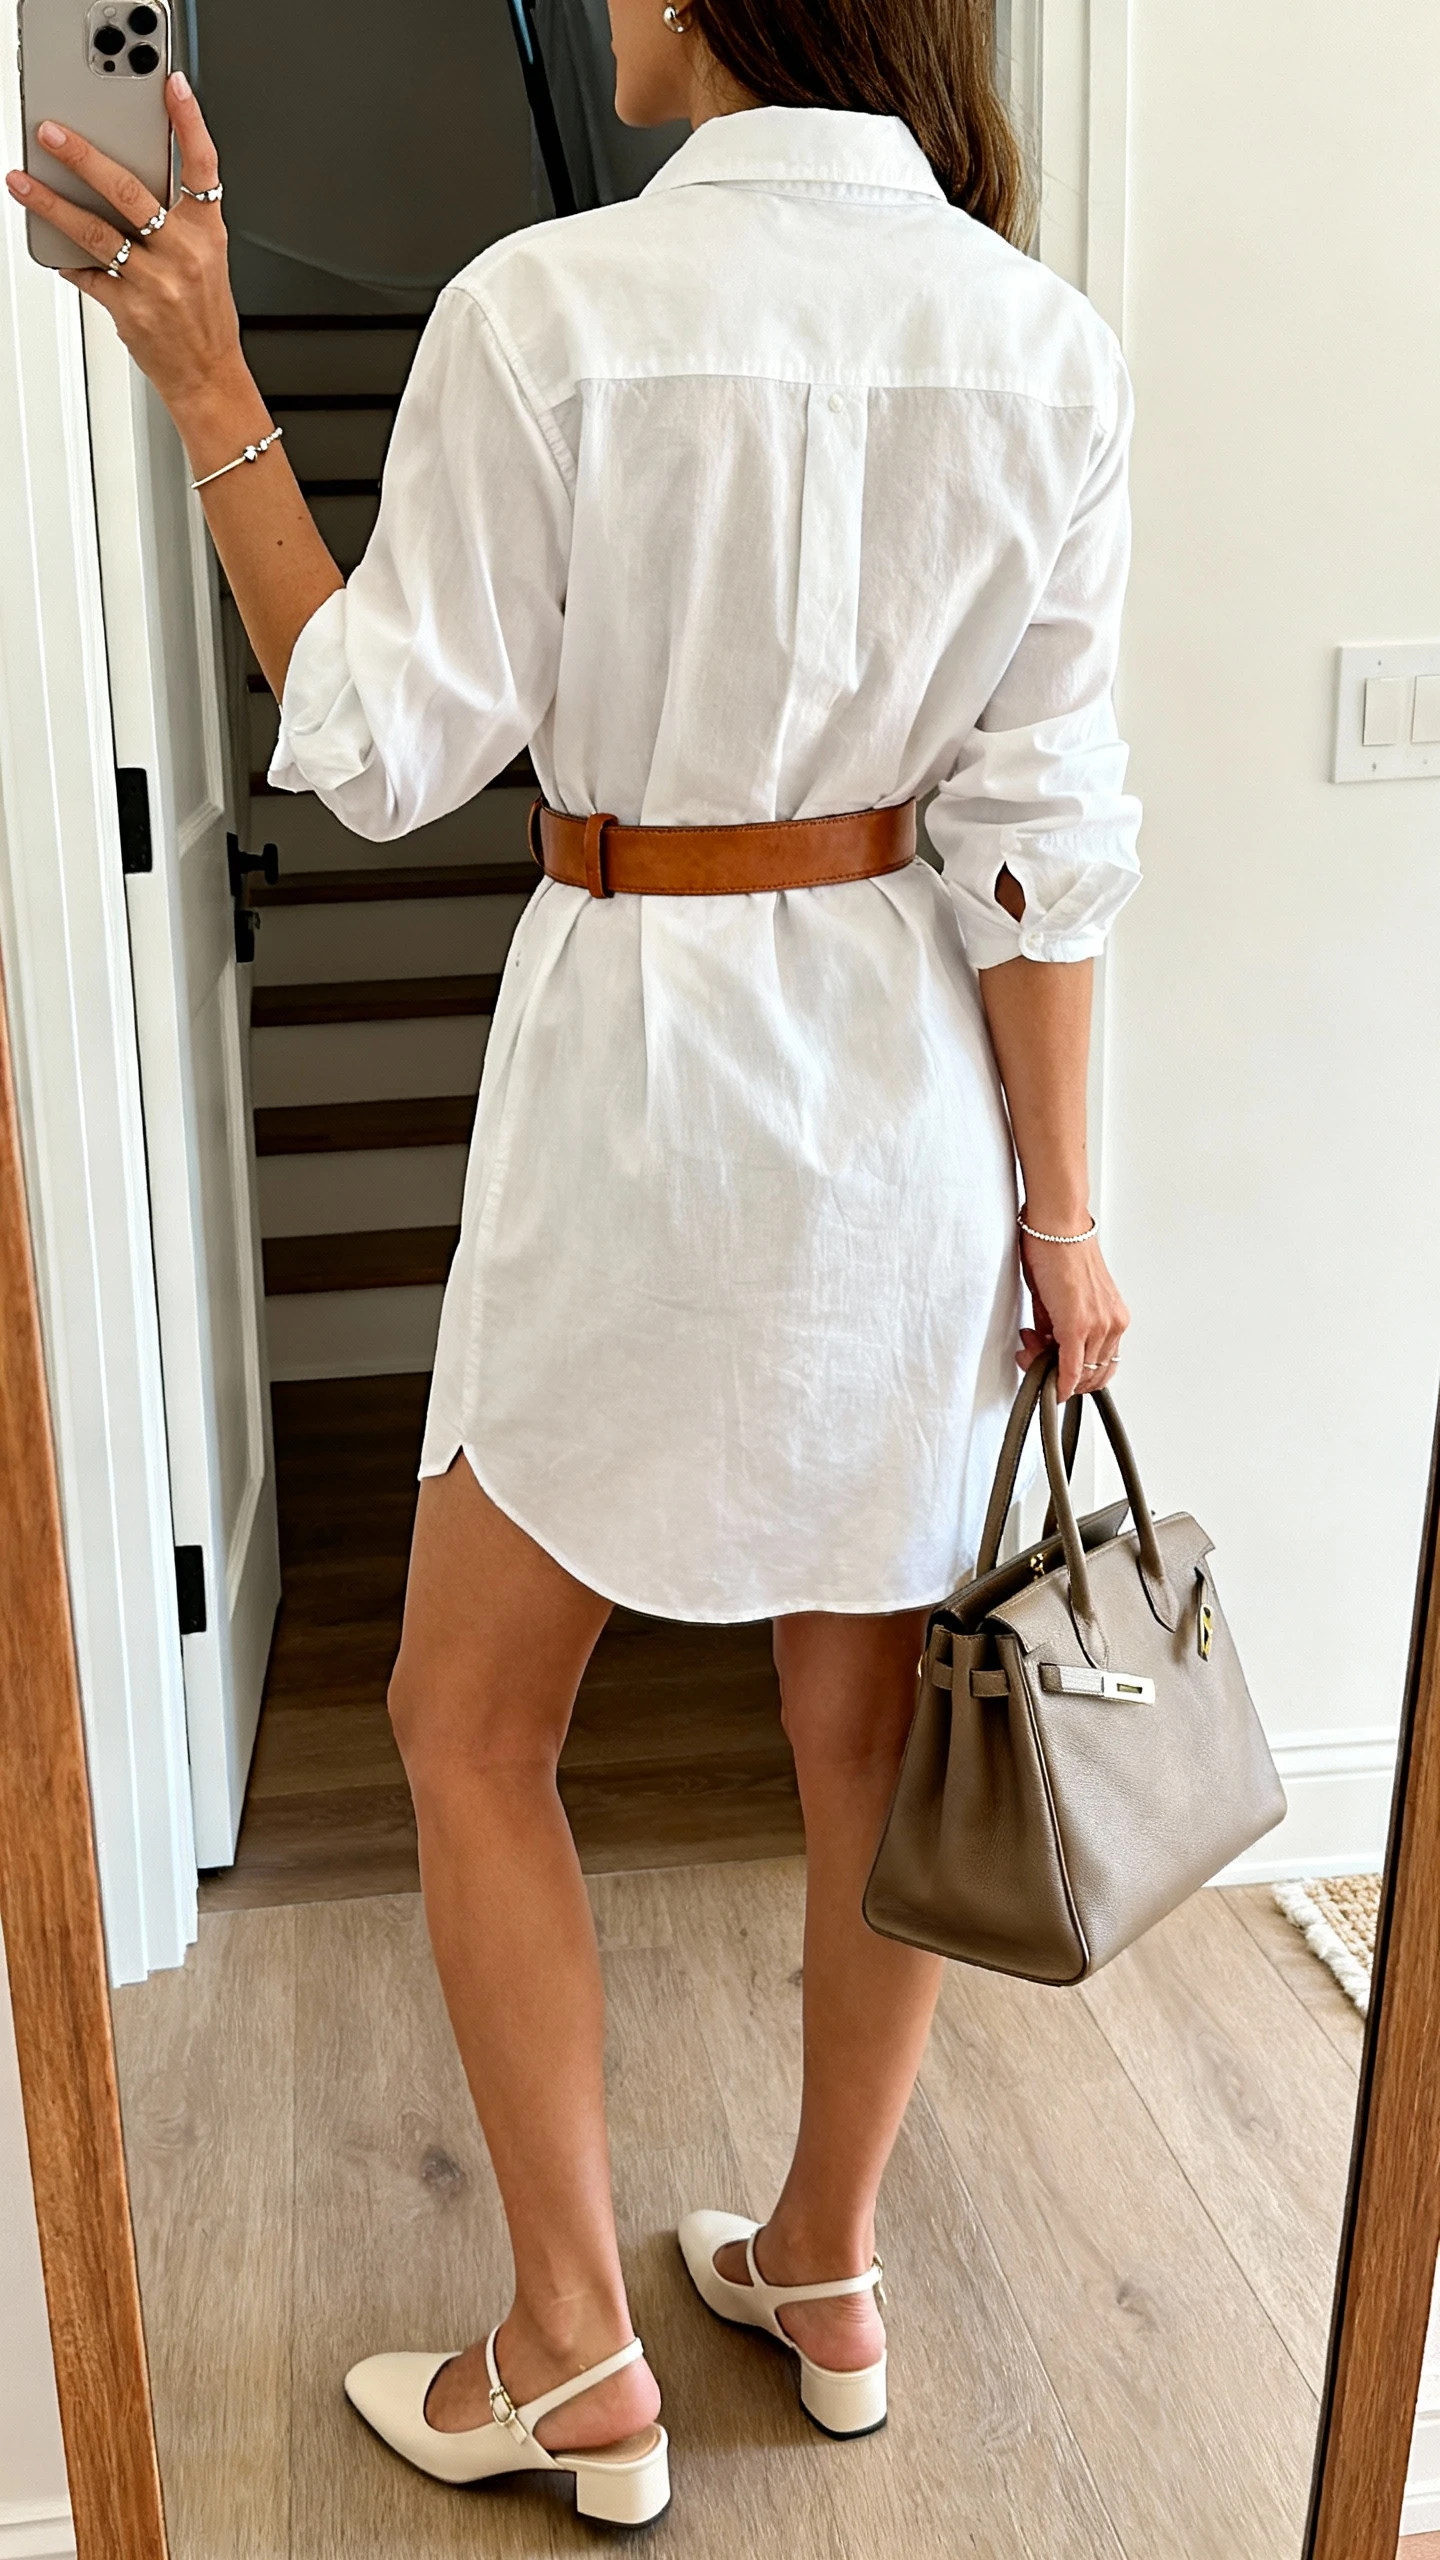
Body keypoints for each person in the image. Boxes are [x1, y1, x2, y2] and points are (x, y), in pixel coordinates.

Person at [8, 0, 1137, 2525]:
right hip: (910, 1119)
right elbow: (1044, 835)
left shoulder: (548, 307)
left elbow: (387, 743)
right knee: (876, 1740)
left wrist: (210, 384)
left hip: (636, 1091)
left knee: (463, 1718)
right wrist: (1068, 1217)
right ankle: (825, 2263)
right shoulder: (1038, 339)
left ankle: (572, 2346)